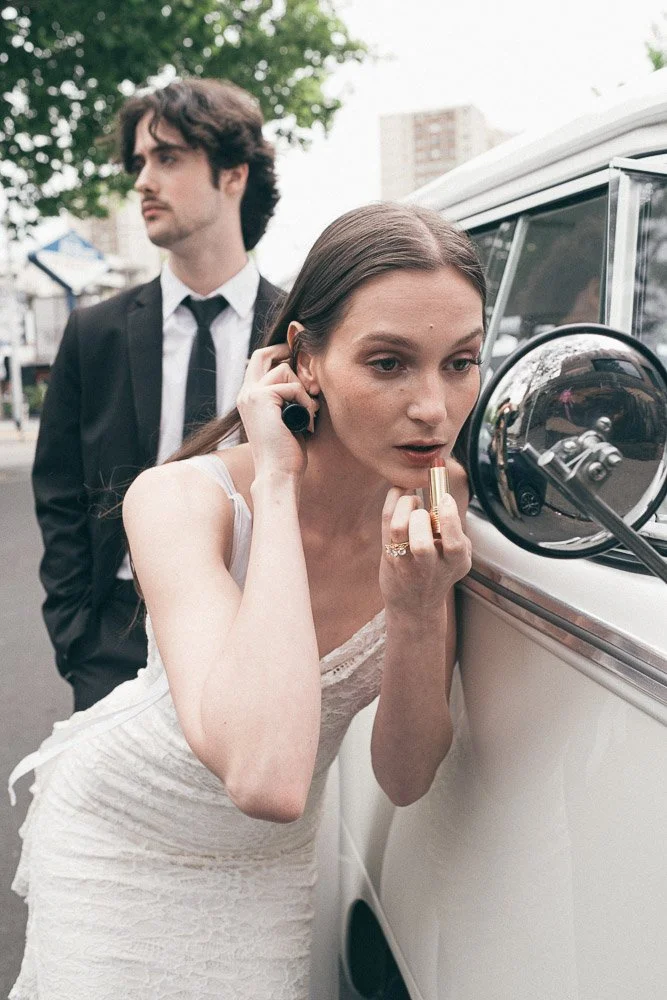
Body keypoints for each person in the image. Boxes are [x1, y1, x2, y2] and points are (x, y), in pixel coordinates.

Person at [10, 202, 486, 1000]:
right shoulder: (177, 501)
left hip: (263, 869)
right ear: (303, 360)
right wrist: (273, 477)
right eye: (388, 363)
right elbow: (266, 777)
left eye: (459, 361)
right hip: (119, 834)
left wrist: (414, 611)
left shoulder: (441, 498)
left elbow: (404, 778)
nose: (433, 407)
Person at [32, 77, 284, 712]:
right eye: (139, 162)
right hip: (113, 637)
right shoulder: (95, 333)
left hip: (255, 622)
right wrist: (76, 637)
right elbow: (59, 490)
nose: (143, 180)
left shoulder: (299, 331)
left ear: (233, 174)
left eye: (167, 157)